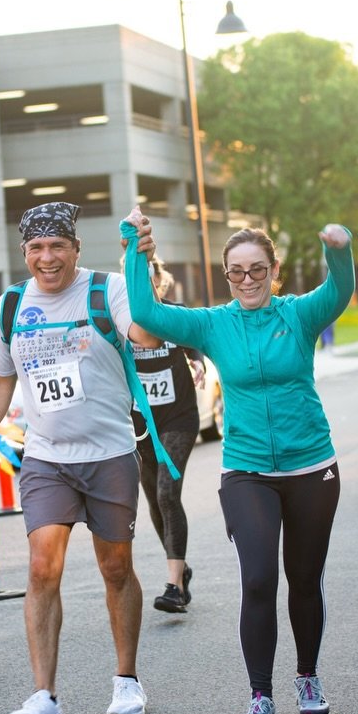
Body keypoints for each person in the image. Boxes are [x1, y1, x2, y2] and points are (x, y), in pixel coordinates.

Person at [121, 209, 354, 714]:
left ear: (274, 271)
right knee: (257, 578)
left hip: (311, 464)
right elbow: (144, 310)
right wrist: (138, 249)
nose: (246, 281)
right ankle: (261, 698)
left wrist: (338, 249)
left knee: (302, 578)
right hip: (246, 468)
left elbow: (339, 290)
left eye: (256, 270)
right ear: (226, 276)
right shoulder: (212, 324)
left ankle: (308, 678)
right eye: (236, 272)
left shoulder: (297, 315)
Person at [0, 201, 157, 714]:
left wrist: (139, 265)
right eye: (36, 248)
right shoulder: (11, 305)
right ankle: (44, 698)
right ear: (24, 252)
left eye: (57, 246)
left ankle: (126, 679)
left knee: (115, 568)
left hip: (110, 452)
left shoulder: (105, 289)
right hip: (46, 457)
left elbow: (147, 335)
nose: (47, 258)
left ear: (75, 248)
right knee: (43, 567)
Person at [130, 258, 203, 614]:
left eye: (150, 276)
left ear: (161, 281)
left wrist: (199, 362)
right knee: (155, 501)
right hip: (139, 425)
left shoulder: (174, 313)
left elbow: (195, 342)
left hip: (178, 419)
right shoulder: (123, 320)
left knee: (167, 492)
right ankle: (181, 568)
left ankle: (173, 585)